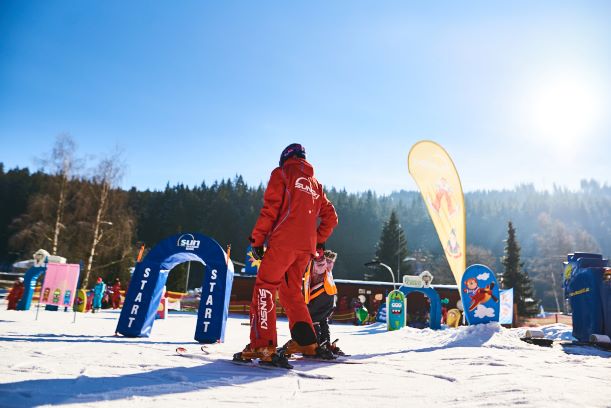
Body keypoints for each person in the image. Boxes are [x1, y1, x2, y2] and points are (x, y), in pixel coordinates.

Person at [234, 143, 338, 368]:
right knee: (291, 292)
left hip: (283, 242)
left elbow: (270, 209)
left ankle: (263, 345)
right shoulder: (316, 185)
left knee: (265, 287)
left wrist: (258, 240)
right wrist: (317, 240)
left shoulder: (281, 173)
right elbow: (331, 218)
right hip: (304, 249)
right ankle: (306, 342)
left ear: (285, 158)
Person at [300, 249, 344, 356]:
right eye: (328, 262)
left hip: (323, 299)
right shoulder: (319, 268)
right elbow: (318, 264)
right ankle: (318, 344)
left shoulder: (328, 272)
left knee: (320, 320)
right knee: (316, 320)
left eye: (332, 262)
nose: (330, 265)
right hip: (318, 297)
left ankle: (324, 343)